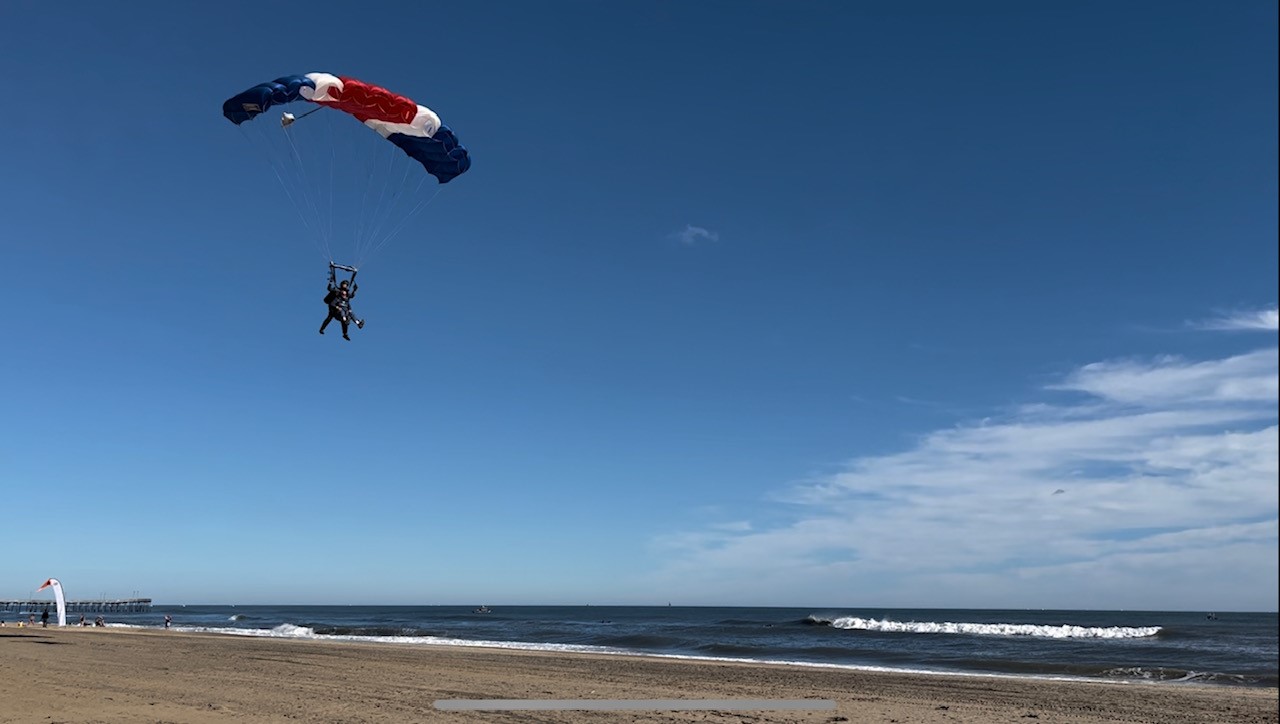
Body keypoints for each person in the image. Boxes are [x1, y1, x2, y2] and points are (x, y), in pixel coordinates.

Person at [319, 264, 365, 341]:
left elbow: (351, 297)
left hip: (343, 311)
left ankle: (356, 324)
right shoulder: (337, 293)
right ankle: (322, 329)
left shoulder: (347, 295)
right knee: (330, 318)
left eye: (346, 286)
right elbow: (329, 289)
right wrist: (330, 281)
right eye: (344, 285)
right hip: (335, 310)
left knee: (348, 315)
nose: (344, 293)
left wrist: (354, 290)